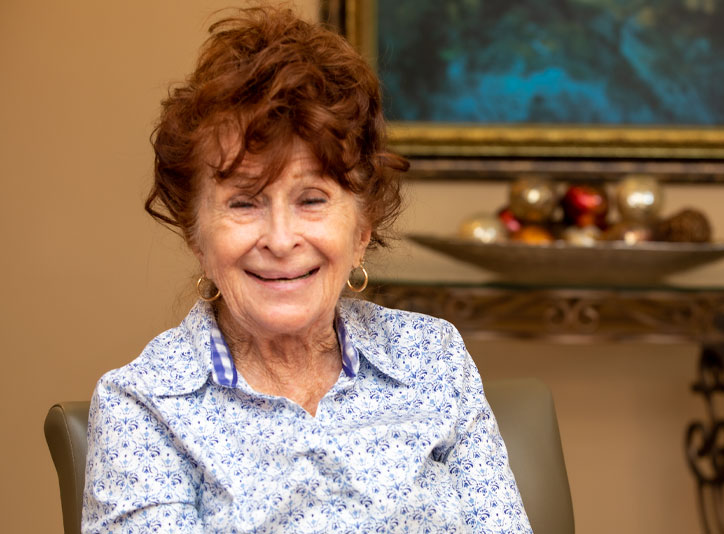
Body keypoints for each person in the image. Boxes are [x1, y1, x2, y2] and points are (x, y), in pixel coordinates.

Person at [82, 5, 532, 533]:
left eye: (312, 199)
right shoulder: (143, 408)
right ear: (195, 235)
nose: (280, 239)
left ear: (362, 229)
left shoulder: (432, 360)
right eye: (244, 202)